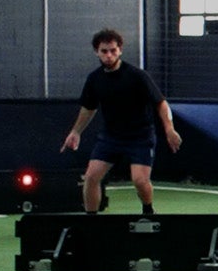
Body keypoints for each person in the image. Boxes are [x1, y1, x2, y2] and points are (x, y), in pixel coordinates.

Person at [59, 29, 181, 215]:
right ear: (96, 52)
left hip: (140, 137)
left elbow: (161, 103)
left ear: (120, 50)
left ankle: (148, 210)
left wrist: (169, 130)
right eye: (104, 51)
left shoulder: (137, 76)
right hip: (111, 137)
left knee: (139, 180)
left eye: (113, 51)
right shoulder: (95, 79)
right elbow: (88, 108)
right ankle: (90, 218)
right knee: (91, 177)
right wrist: (76, 132)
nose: (109, 55)